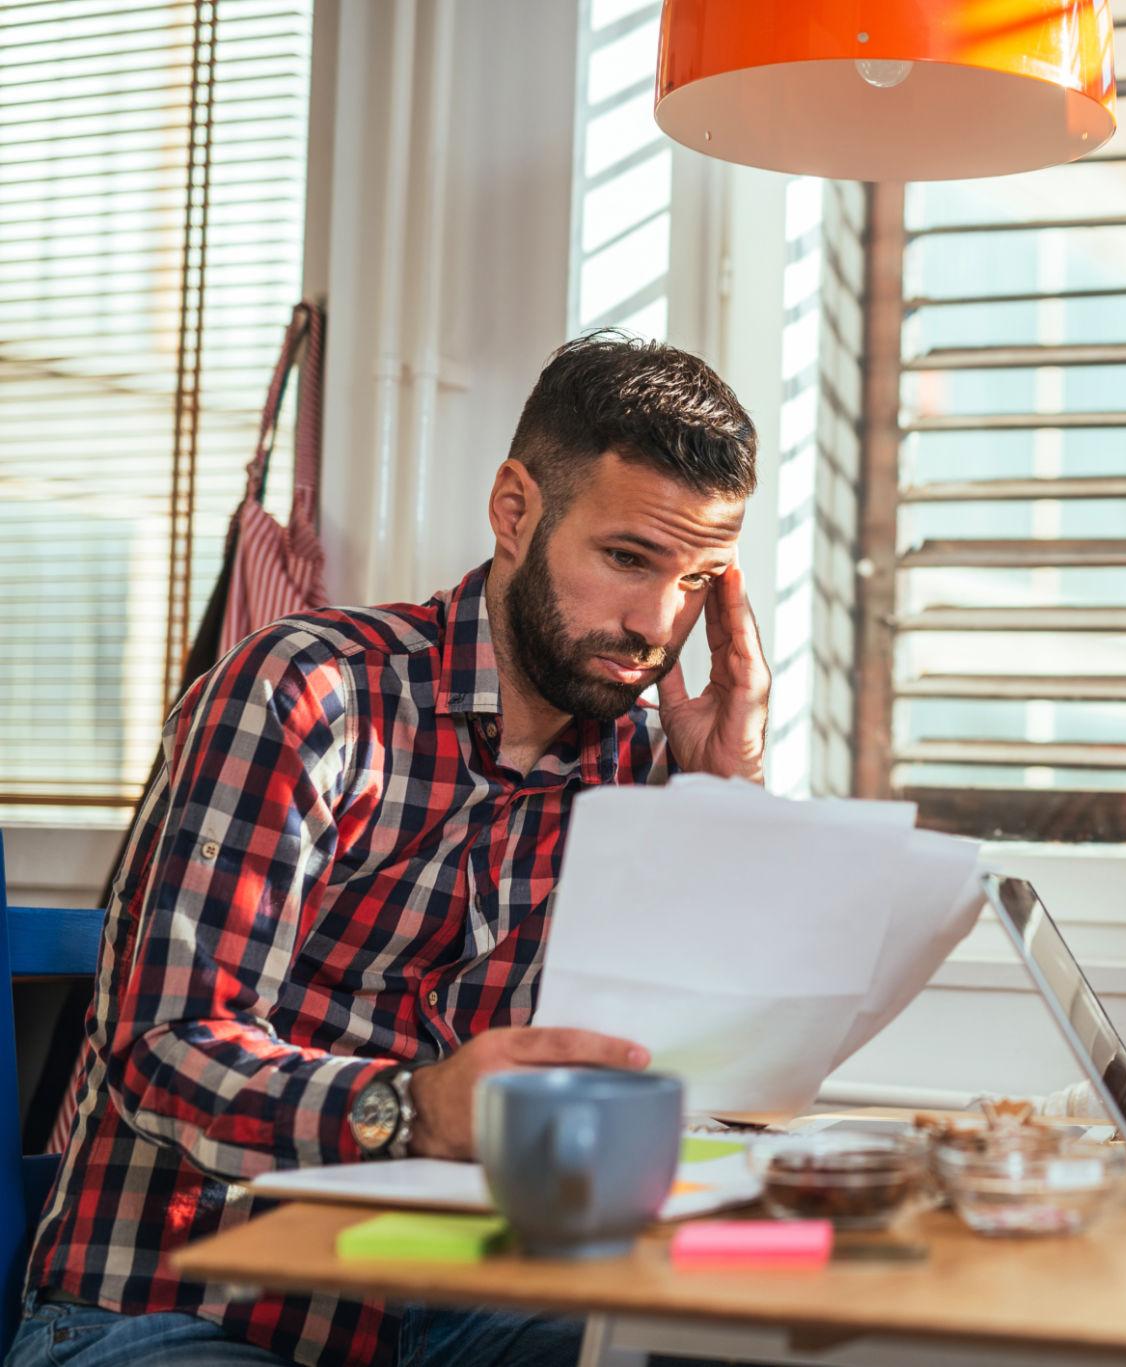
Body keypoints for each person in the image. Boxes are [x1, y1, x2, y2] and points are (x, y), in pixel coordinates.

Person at [8, 333, 770, 1367]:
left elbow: (689, 1075)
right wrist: (412, 1108)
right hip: (185, 1298)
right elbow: (164, 1049)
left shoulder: (645, 759)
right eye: (628, 558)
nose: (655, 623)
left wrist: (721, 801)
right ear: (514, 510)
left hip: (462, 1295)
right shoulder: (307, 693)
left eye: (699, 580)